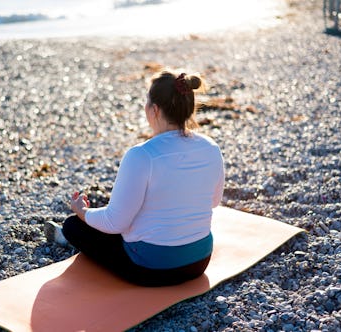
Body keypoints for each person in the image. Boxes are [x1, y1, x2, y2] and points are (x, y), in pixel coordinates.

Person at [45, 70, 225, 287]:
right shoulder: (211, 147)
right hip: (199, 261)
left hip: (152, 269)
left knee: (74, 226)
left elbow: (115, 222)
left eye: (147, 102)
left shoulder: (142, 155)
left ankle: (68, 234)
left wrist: (82, 212)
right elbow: (213, 202)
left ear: (155, 110)